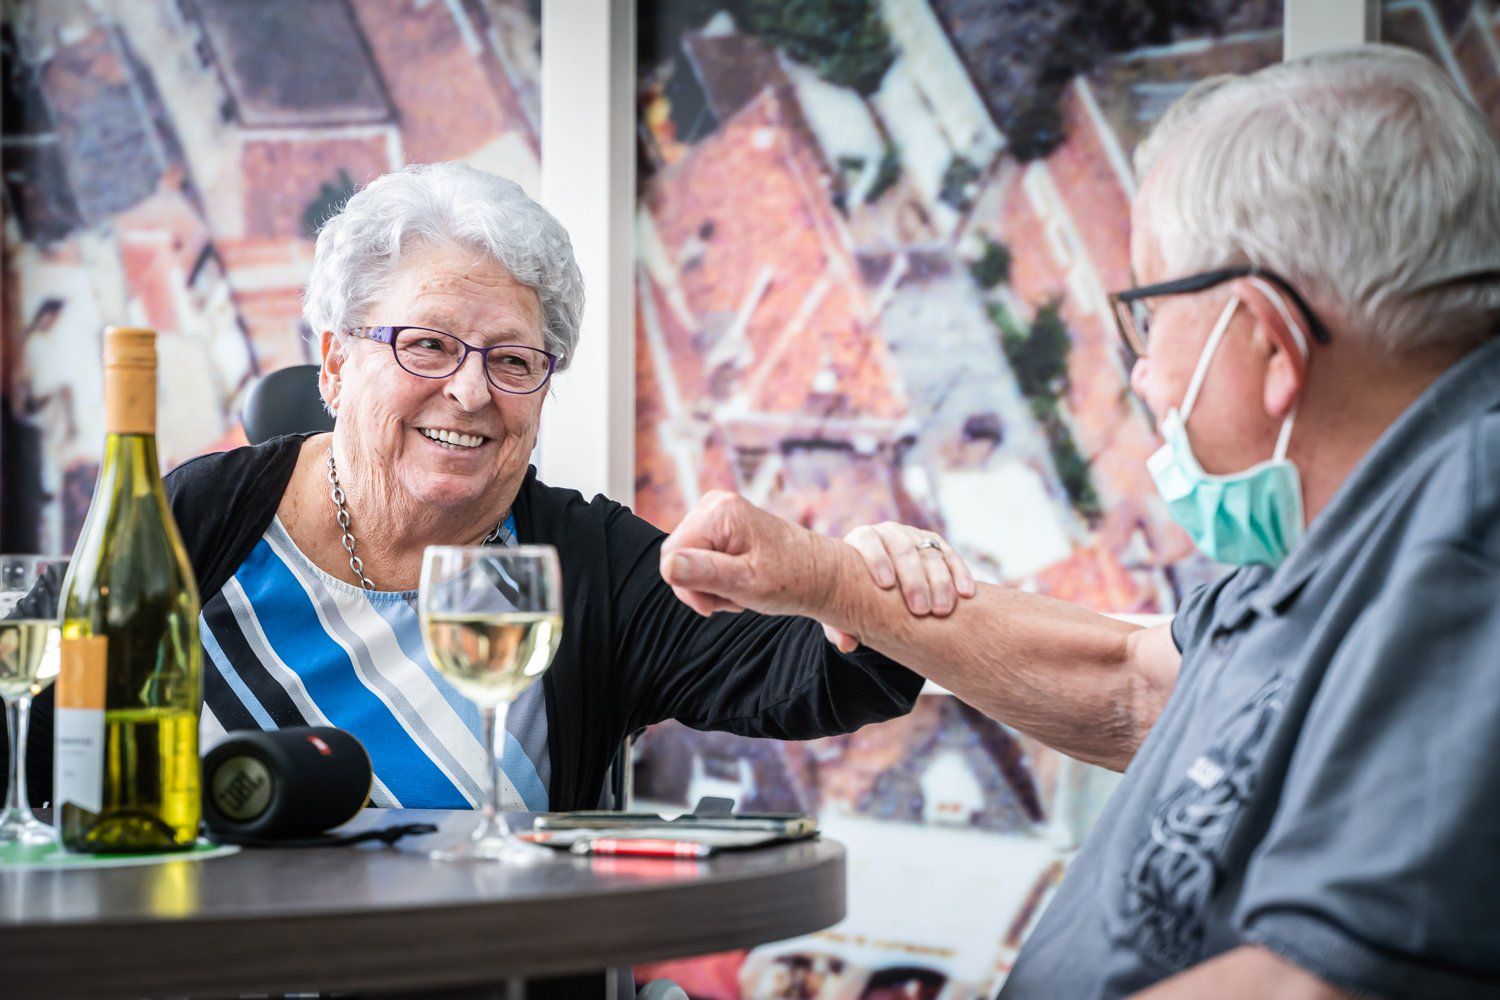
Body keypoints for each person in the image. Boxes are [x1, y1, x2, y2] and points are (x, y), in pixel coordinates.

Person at [660, 46, 1500, 998]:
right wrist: (831, 582)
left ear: (1268, 339)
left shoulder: (1466, 545)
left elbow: (1316, 983)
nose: (1143, 375)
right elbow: (1135, 685)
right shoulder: (1358, 520)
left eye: (1149, 315)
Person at [15, 162, 972, 815]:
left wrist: (862, 582)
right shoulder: (196, 517)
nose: (471, 392)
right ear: (336, 362)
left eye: (513, 359)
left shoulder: (588, 566)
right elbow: (47, 758)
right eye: (427, 344)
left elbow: (805, 678)